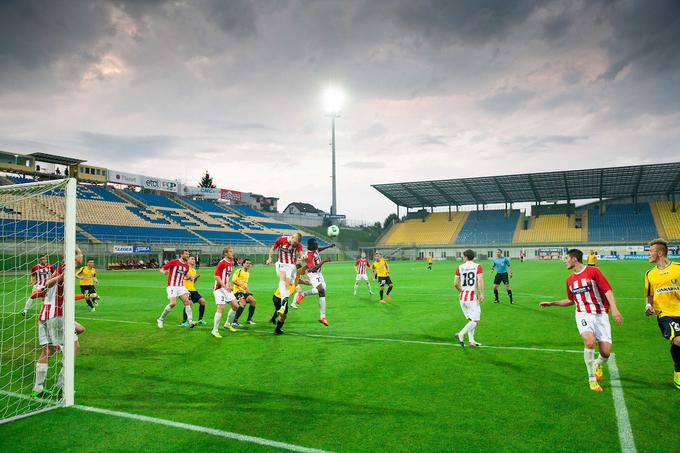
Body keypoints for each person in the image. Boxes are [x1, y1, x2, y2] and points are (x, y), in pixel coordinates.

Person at [539, 248, 624, 392]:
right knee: (589, 342)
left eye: (566, 258)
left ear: (574, 259)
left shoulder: (593, 272)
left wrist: (614, 309)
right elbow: (571, 300)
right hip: (582, 314)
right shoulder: (570, 280)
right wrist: (552, 303)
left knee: (606, 353)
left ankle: (597, 364)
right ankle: (592, 379)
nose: (564, 261)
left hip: (600, 314)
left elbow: (607, 290)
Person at [32, 246, 89, 399]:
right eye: (79, 253)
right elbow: (49, 283)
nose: (81, 255)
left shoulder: (64, 267)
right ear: (75, 256)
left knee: (47, 351)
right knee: (74, 347)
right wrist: (60, 277)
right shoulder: (66, 267)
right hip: (56, 315)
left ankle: (37, 388)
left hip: (45, 314)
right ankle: (62, 386)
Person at [644, 238, 680, 389]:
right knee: (678, 340)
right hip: (665, 314)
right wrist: (648, 306)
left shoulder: (678, 268)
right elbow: (649, 295)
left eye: (650, 252)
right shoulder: (649, 274)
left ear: (659, 253)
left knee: (677, 344)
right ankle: (679, 371)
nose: (648, 255)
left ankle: (678, 368)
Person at [294, 238, 335, 326]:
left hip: (319, 273)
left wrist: (329, 246)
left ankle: (303, 294)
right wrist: (324, 261)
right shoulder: (308, 255)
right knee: (321, 290)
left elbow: (319, 249)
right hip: (313, 274)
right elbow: (313, 269)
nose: (317, 245)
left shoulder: (314, 249)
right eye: (315, 243)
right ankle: (323, 317)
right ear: (310, 245)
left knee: (321, 289)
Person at [156, 249, 196, 329]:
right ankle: (160, 319)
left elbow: (185, 274)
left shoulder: (186, 266)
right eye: (186, 254)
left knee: (187, 302)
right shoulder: (174, 262)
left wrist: (190, 277)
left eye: (188, 254)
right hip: (172, 286)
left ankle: (191, 321)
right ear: (181, 254)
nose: (188, 255)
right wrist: (164, 272)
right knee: (173, 304)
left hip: (181, 286)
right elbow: (162, 269)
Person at [265, 233, 304, 311]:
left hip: (291, 266)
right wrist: (269, 258)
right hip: (280, 263)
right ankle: (284, 300)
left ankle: (283, 305)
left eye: (296, 243)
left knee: (287, 283)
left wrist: (302, 257)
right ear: (292, 237)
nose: (295, 244)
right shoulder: (281, 239)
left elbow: (301, 253)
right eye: (295, 242)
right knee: (283, 278)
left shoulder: (298, 245)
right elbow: (273, 248)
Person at [454, 249, 484, 347]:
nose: (463, 258)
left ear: (466, 257)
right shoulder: (477, 266)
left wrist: (460, 290)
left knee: (471, 319)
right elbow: (479, 280)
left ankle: (472, 341)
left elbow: (455, 283)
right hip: (472, 298)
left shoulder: (459, 267)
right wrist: (482, 294)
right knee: (475, 321)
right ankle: (460, 334)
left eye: (463, 256)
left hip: (462, 297)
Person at [272, 260, 310, 335]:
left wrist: (311, 282)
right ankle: (277, 330)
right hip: (281, 298)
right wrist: (309, 264)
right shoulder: (294, 275)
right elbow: (300, 274)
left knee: (279, 311)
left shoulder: (295, 278)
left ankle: (273, 319)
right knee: (283, 316)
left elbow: (304, 282)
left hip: (276, 297)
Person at [211, 246, 239, 338]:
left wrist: (229, 285)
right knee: (221, 307)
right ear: (225, 253)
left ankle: (227, 323)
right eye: (230, 251)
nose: (232, 253)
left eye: (232, 251)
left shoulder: (231, 262)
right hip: (219, 288)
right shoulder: (221, 263)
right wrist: (224, 286)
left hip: (226, 287)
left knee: (235, 306)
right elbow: (216, 276)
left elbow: (227, 277)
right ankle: (214, 330)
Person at [181, 256, 206, 326]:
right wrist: (194, 277)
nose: (194, 260)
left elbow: (192, 281)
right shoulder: (186, 268)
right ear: (188, 260)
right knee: (188, 303)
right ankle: (184, 322)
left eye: (194, 259)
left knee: (202, 301)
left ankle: (200, 319)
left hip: (193, 289)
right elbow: (184, 278)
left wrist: (196, 278)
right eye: (192, 259)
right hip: (186, 290)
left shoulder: (193, 270)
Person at [231, 258, 257, 326]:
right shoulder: (238, 271)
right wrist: (241, 286)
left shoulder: (247, 273)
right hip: (237, 292)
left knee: (253, 301)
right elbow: (233, 280)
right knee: (243, 303)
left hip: (244, 292)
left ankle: (249, 319)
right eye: (247, 263)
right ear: (243, 264)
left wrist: (248, 291)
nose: (248, 264)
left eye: (249, 263)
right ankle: (235, 321)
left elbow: (245, 284)